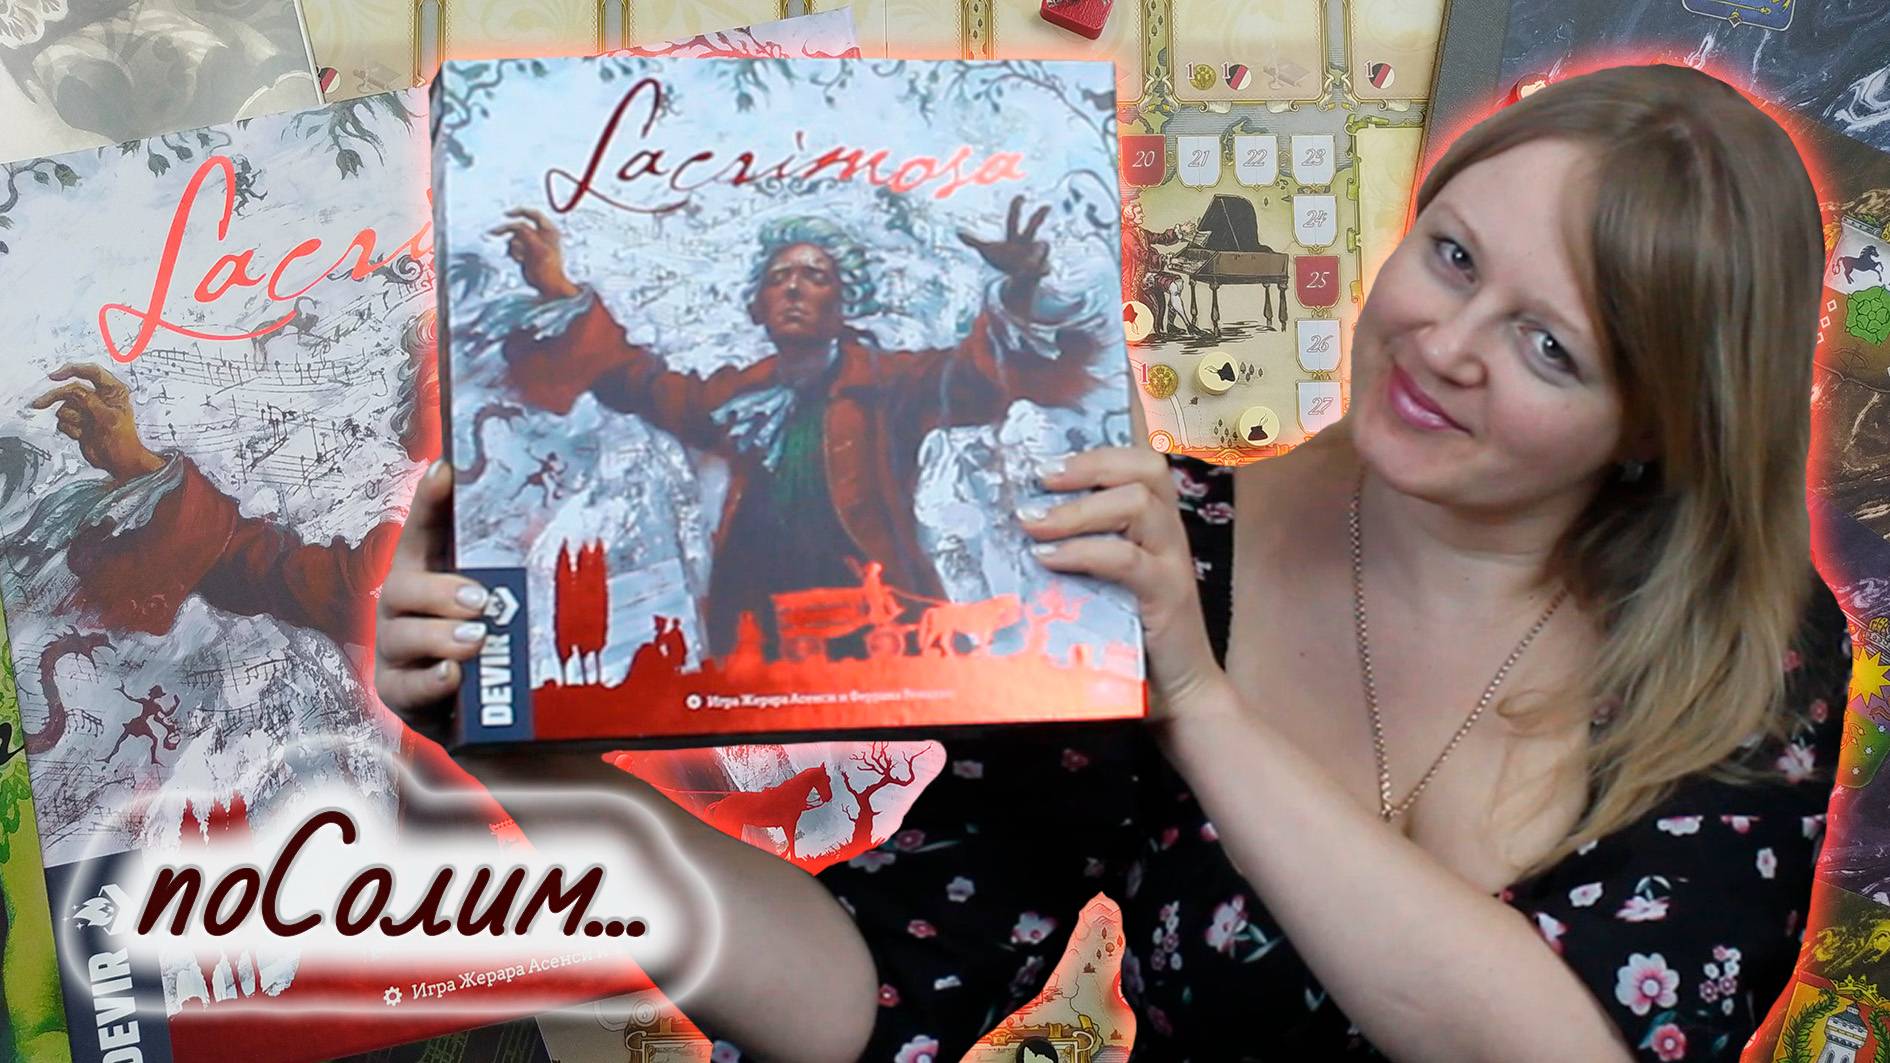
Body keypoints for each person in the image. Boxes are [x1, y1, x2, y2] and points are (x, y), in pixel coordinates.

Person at [377, 64, 1849, 1061]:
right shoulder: (1153, 549)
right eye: (1453, 256)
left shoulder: (1750, 647)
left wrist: (1196, 704)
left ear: (1658, 424)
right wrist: (525, 758)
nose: (1444, 346)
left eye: (1548, 345)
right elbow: (860, 993)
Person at [485, 196, 1106, 660]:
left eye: (815, 276)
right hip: (754, 619)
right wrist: (558, 287)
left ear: (845, 301)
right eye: (778, 278)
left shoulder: (889, 382)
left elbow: (974, 376)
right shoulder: (736, 396)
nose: (793, 289)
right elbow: (640, 384)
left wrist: (1020, 286)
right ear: (758, 305)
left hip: (878, 622)